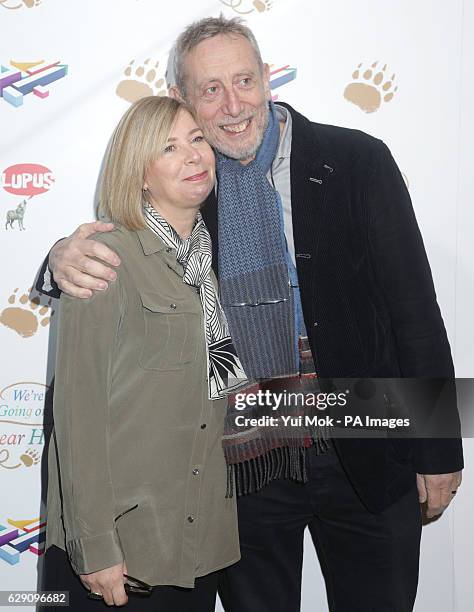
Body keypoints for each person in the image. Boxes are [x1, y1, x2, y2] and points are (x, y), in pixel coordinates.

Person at [37, 16, 463, 612]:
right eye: (210, 89)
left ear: (268, 78)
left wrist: (439, 447)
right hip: (242, 466)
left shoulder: (357, 160)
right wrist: (56, 259)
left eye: (244, 80)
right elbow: (127, 238)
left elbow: (415, 309)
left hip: (368, 446)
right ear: (181, 100)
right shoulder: (189, 178)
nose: (232, 105)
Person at [40, 95, 246, 612]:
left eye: (198, 139)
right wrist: (96, 547)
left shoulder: (217, 259)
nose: (194, 156)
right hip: (121, 551)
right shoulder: (103, 260)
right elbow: (77, 416)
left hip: (195, 545)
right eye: (169, 148)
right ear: (139, 176)